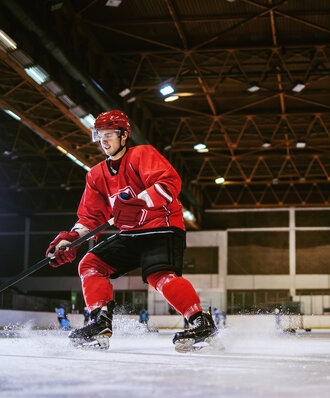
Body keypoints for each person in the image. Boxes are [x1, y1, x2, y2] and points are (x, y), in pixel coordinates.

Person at [45, 110, 217, 351]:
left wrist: (140, 202)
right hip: (130, 234)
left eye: (109, 135)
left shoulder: (142, 154)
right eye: (99, 135)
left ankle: (200, 322)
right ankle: (99, 322)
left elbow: (169, 183)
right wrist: (72, 240)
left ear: (124, 135)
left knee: (160, 276)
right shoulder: (95, 175)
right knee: (90, 264)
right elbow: (91, 217)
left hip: (162, 227)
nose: (103, 141)